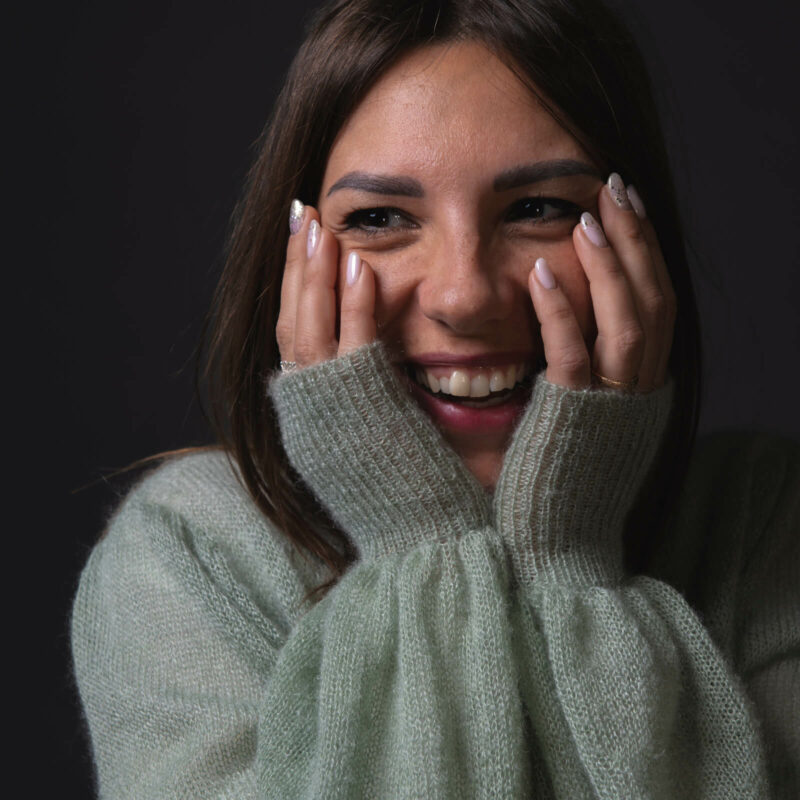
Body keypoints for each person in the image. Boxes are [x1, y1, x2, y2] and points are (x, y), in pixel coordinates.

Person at [71, 0, 799, 797]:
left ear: (636, 241)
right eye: (380, 218)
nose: (464, 295)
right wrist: (422, 544)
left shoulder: (767, 525)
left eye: (539, 208)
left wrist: (568, 559)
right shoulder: (191, 557)